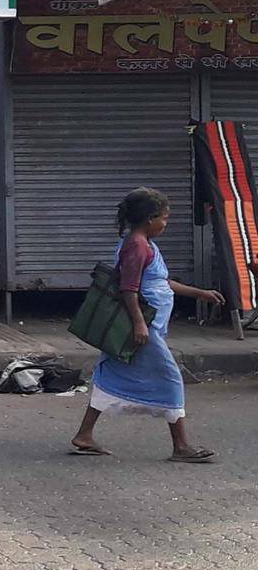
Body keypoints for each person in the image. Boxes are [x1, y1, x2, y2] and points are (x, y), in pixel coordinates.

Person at [70, 187, 224, 461]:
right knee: (171, 377)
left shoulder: (142, 243)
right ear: (149, 218)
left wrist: (199, 293)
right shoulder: (137, 246)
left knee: (112, 374)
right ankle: (181, 446)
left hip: (146, 324)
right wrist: (140, 325)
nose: (166, 224)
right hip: (142, 327)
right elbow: (129, 289)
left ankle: (84, 434)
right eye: (164, 218)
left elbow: (160, 282)